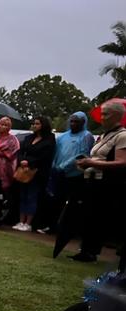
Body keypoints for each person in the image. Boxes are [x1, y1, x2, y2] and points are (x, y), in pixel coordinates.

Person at [73, 102, 126, 262]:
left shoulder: (122, 135)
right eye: (102, 114)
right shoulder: (103, 135)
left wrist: (92, 163)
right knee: (87, 215)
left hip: (106, 183)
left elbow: (121, 162)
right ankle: (84, 249)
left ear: (117, 116)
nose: (102, 118)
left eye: (106, 114)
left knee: (98, 217)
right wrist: (85, 162)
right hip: (91, 179)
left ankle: (91, 252)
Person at [40, 112, 96, 235]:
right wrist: (54, 165)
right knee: (55, 200)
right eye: (72, 121)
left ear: (83, 123)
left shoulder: (87, 136)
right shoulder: (63, 136)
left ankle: (66, 230)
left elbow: (83, 154)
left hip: (75, 174)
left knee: (71, 203)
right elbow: (55, 151)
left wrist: (65, 166)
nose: (73, 124)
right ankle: (51, 226)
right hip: (58, 173)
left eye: (76, 121)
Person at [12, 116, 56, 232]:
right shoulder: (28, 138)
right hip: (24, 171)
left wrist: (30, 162)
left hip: (37, 172)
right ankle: (21, 221)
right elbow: (21, 151)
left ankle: (28, 223)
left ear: (43, 125)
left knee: (32, 196)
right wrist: (22, 160)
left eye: (37, 124)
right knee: (23, 196)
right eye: (34, 123)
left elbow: (45, 156)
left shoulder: (49, 139)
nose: (34, 126)